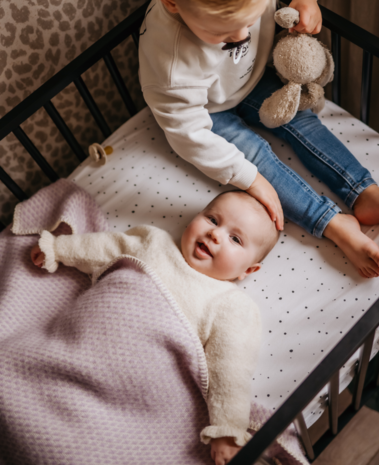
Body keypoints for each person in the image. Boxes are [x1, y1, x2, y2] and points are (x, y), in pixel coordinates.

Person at [138, 0, 379, 279]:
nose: (242, 37)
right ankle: (331, 222)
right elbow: (189, 135)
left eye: (250, 22)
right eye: (223, 34)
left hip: (252, 79)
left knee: (299, 119)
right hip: (207, 110)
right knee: (253, 158)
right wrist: (252, 179)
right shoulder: (170, 67)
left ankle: (363, 190)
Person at [31, 190, 279, 465]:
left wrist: (228, 430)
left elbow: (230, 371)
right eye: (212, 219)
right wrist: (58, 249)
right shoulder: (155, 242)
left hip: (135, 387)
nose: (215, 235)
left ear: (248, 270)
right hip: (72, 348)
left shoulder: (230, 304)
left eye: (235, 239)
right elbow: (104, 247)